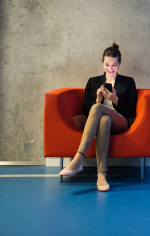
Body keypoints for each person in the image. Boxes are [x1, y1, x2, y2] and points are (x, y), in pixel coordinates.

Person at [59, 43, 137, 191]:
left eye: (114, 65)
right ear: (102, 63)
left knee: (101, 111)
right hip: (102, 121)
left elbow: (131, 113)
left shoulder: (128, 82)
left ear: (120, 63)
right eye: (107, 64)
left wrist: (115, 100)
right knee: (104, 119)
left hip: (120, 120)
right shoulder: (93, 81)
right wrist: (98, 99)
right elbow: (87, 112)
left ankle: (79, 157)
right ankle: (101, 175)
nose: (110, 69)